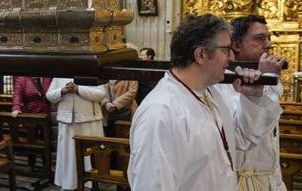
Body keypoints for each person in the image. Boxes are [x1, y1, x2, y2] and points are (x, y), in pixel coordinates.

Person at [127, 14, 283, 190]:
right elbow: (154, 185)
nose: (231, 58)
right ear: (201, 54)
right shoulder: (161, 113)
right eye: (225, 50)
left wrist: (252, 98)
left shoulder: (211, 93)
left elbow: (241, 141)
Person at [225, 14, 286, 190]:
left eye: (269, 38)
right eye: (259, 39)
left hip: (270, 179)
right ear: (235, 44)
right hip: (240, 181)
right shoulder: (222, 82)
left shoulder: (270, 80)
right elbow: (246, 138)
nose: (268, 44)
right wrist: (268, 81)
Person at [46, 79, 106, 190]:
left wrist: (78, 89)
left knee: (89, 156)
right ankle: (68, 184)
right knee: (68, 156)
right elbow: (50, 96)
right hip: (67, 122)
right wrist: (62, 90)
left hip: (88, 121)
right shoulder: (60, 73)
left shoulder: (91, 71)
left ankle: (91, 185)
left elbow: (101, 94)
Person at [11, 76, 52, 172]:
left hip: (47, 116)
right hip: (31, 116)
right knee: (31, 139)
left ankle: (47, 166)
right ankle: (31, 164)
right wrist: (16, 107)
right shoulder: (22, 79)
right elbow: (17, 94)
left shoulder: (47, 77)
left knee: (46, 140)